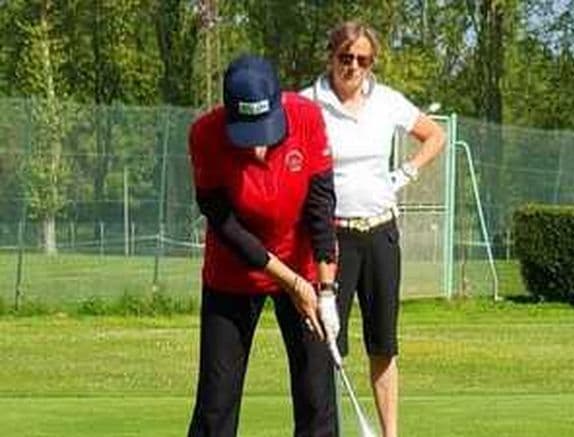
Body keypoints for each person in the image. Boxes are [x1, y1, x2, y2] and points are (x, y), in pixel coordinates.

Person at [301, 21, 446, 437]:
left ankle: (389, 434)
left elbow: (434, 135)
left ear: (371, 63)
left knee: (383, 344)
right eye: (345, 57)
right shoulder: (309, 103)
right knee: (328, 345)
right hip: (334, 238)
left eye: (362, 60)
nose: (353, 67)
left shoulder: (386, 101)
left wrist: (406, 173)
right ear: (331, 57)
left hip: (381, 232)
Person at [186, 54, 342, 437]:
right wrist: (292, 284)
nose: (257, 145)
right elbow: (226, 225)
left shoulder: (307, 118)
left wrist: (325, 291)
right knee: (216, 402)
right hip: (233, 273)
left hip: (304, 264)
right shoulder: (205, 134)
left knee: (316, 396)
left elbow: (321, 208)